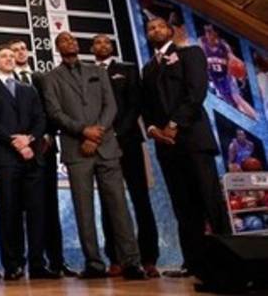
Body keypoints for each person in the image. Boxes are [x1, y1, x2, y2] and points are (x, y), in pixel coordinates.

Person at [41, 32, 146, 280]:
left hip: (106, 146)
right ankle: (94, 263)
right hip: (76, 150)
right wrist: (83, 131)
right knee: (83, 210)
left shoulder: (98, 71)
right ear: (57, 47)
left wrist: (96, 133)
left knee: (119, 206)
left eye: (73, 40)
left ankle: (131, 263)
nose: (70, 43)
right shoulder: (50, 78)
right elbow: (55, 113)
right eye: (64, 41)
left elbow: (111, 106)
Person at [142, 17, 229, 278]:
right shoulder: (148, 68)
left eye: (160, 26)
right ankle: (193, 263)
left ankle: (227, 261)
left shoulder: (191, 53)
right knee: (182, 206)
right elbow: (146, 106)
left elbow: (196, 91)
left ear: (170, 31)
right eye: (150, 28)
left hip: (193, 139)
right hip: (167, 146)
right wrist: (153, 129)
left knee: (209, 200)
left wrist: (174, 123)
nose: (155, 30)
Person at [0, 43, 58, 281]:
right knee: (9, 213)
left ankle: (37, 264)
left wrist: (29, 139)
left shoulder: (28, 89)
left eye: (12, 56)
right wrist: (16, 143)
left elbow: (40, 118)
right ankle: (13, 265)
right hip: (6, 159)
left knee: (36, 213)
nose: (9, 59)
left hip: (32, 159)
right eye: (4, 56)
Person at [90, 34, 160, 278]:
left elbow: (135, 104)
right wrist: (102, 134)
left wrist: (119, 132)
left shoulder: (127, 70)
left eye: (106, 42)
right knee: (108, 201)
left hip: (128, 141)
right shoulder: (88, 72)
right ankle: (115, 258)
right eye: (98, 43)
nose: (102, 45)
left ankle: (149, 258)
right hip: (102, 144)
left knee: (140, 199)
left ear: (112, 47)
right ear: (92, 48)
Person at [10, 39, 75, 277]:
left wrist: (47, 135)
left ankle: (57, 261)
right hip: (17, 151)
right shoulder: (6, 80)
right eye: (14, 50)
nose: (19, 52)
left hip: (45, 149)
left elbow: (52, 108)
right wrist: (21, 141)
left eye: (22, 49)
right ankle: (22, 263)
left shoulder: (42, 78)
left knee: (49, 207)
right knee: (18, 208)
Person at [199, 24, 257, 119]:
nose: (208, 35)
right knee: (231, 104)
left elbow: (233, 58)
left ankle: (256, 118)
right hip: (214, 79)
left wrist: (241, 71)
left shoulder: (223, 45)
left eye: (210, 32)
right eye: (206, 32)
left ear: (216, 33)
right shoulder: (202, 42)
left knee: (237, 98)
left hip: (226, 77)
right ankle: (247, 119)